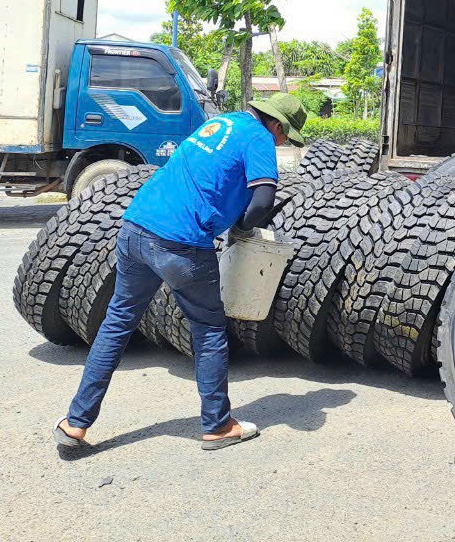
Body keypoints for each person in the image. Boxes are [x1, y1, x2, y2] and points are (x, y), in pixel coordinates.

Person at [53, 93, 307, 452]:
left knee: (117, 323)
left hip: (136, 227)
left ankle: (75, 423)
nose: (282, 143)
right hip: (182, 243)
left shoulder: (221, 123)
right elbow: (264, 199)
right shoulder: (259, 137)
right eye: (285, 136)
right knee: (209, 331)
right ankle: (218, 426)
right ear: (277, 124)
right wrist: (242, 229)